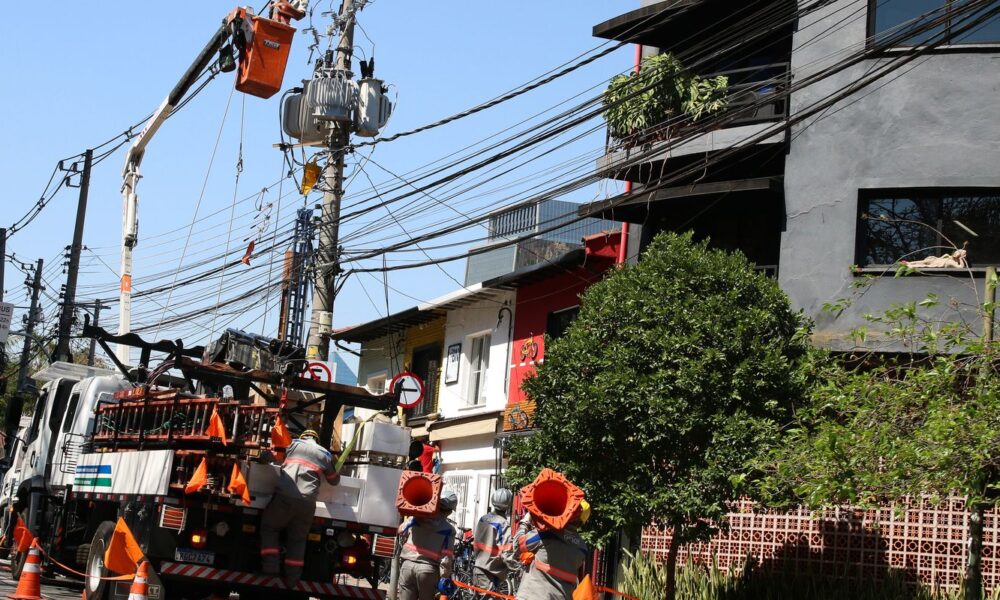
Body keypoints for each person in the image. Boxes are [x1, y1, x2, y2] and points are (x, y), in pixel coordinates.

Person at [260, 429, 340, 586]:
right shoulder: (324, 454)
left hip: (284, 498)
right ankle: (292, 580)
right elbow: (334, 481)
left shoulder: (291, 445)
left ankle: (271, 570)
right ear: (316, 440)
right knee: (297, 540)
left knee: (269, 528)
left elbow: (267, 457)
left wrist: (261, 458)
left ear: (302, 437)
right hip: (307, 504)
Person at [512, 499, 590, 600]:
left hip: (532, 595)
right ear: (581, 522)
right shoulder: (582, 548)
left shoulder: (546, 534)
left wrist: (525, 522)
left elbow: (518, 545)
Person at [397, 489, 458, 600]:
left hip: (407, 565)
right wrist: (444, 577)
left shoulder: (416, 518)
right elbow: (446, 559)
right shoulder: (449, 529)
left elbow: (401, 531)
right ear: (449, 511)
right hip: (428, 571)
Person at [472, 488, 517, 596]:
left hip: (478, 569)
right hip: (489, 574)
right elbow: (506, 552)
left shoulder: (484, 518)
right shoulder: (502, 523)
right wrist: (517, 568)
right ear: (508, 505)